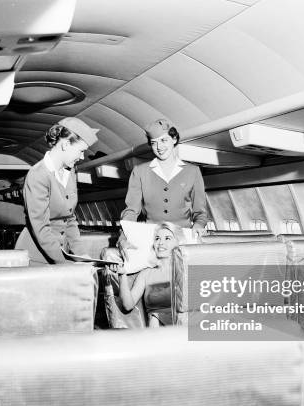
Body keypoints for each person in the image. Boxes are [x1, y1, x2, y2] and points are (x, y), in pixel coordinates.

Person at [118, 118, 208, 256]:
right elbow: (131, 210)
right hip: (153, 240)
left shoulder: (192, 171)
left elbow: (199, 211)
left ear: (174, 139)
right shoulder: (140, 171)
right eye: (154, 143)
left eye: (164, 140)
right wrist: (125, 234)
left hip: (182, 239)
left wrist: (199, 224)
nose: (159, 147)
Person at [21, 117, 99, 264]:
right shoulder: (38, 175)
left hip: (62, 252)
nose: (82, 157)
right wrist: (63, 262)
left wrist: (81, 255)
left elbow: (69, 218)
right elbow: (41, 227)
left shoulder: (70, 172)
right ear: (65, 144)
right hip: (38, 257)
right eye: (81, 151)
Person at [111, 222, 183, 327]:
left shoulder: (185, 271)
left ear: (178, 243)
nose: (160, 243)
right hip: (156, 333)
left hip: (183, 329)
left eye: (167, 238)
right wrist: (122, 276)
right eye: (157, 238)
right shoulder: (146, 274)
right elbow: (128, 305)